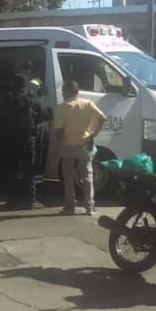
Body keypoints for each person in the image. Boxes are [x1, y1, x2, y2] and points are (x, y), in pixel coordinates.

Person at [54, 80, 107, 215]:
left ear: (67, 92)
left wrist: (58, 148)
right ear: (77, 92)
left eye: (63, 91)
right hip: (84, 144)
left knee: (68, 176)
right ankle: (89, 206)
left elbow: (60, 131)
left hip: (67, 145)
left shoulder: (61, 108)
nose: (62, 94)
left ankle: (70, 206)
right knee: (87, 175)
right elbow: (103, 118)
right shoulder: (87, 104)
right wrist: (93, 135)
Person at [6, 74, 42, 209]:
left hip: (11, 138)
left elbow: (2, 117)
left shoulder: (9, 98)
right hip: (28, 137)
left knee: (12, 169)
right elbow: (40, 116)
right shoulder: (32, 97)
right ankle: (30, 200)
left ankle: (11, 200)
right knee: (29, 169)